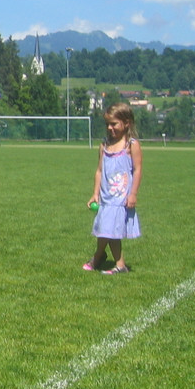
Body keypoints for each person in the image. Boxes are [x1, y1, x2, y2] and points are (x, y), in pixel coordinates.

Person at [84, 103, 142, 274]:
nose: (110, 128)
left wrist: (133, 194)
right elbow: (99, 170)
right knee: (105, 228)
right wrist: (95, 193)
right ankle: (103, 258)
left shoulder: (131, 145)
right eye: (107, 124)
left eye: (114, 124)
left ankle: (113, 262)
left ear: (127, 123)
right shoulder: (104, 145)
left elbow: (137, 170)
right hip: (106, 196)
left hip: (121, 197)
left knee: (110, 230)